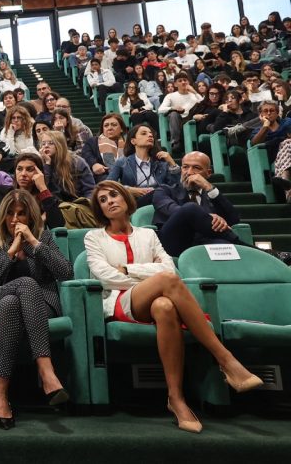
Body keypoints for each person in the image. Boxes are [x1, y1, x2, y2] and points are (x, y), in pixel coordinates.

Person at [85, 181, 263, 433]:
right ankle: (226, 359)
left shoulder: (148, 234)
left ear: (125, 198)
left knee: (165, 306)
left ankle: (176, 398)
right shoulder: (94, 237)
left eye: (114, 195)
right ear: (100, 209)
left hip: (152, 299)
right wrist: (150, 277)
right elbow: (104, 277)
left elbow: (169, 267)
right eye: (103, 200)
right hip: (119, 301)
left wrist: (127, 269)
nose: (110, 201)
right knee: (166, 281)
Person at [0, 189, 73, 429]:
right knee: (24, 286)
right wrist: (10, 253)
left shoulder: (43, 238)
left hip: (39, 306)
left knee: (10, 305)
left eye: (21, 213)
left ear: (30, 216)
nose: (14, 220)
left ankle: (0, 393)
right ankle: (46, 371)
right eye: (10, 213)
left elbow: (66, 272)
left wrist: (33, 243)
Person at [151, 151, 245, 257]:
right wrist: (206, 216)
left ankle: (242, 250)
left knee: (227, 247)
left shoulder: (212, 195)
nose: (189, 172)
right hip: (172, 242)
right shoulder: (164, 190)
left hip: (204, 242)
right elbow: (177, 211)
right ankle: (242, 245)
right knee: (190, 208)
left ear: (208, 173)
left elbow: (233, 219)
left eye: (196, 168)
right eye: (185, 167)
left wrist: (209, 187)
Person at [105, 125, 179, 205]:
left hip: (160, 200)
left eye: (151, 134)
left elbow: (176, 187)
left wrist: (172, 163)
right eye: (144, 133)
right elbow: (107, 185)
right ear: (133, 141)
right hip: (135, 203)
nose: (150, 135)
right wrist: (128, 189)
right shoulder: (122, 162)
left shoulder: (160, 162)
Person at [81, 113, 128, 182]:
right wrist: (94, 164)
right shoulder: (93, 142)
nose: (109, 128)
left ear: (122, 129)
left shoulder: (129, 144)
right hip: (101, 180)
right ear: (102, 129)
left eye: (114, 125)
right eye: (106, 126)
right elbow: (86, 154)